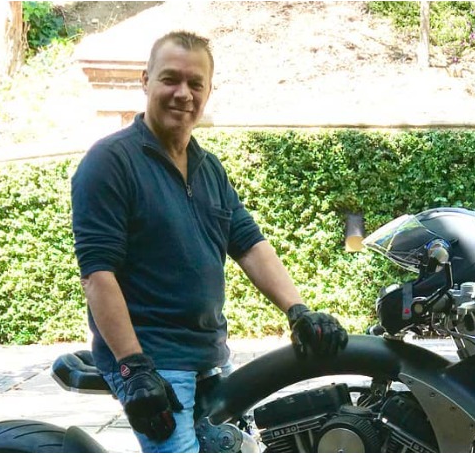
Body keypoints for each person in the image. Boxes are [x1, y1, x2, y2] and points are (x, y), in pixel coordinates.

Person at [70, 30, 348, 453]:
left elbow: (251, 246)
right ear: (145, 81)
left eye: (195, 84)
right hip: (154, 361)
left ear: (208, 91)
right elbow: (98, 275)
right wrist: (133, 367)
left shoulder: (208, 168)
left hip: (210, 356)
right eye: (170, 79)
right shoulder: (110, 162)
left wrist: (299, 311)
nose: (183, 93)